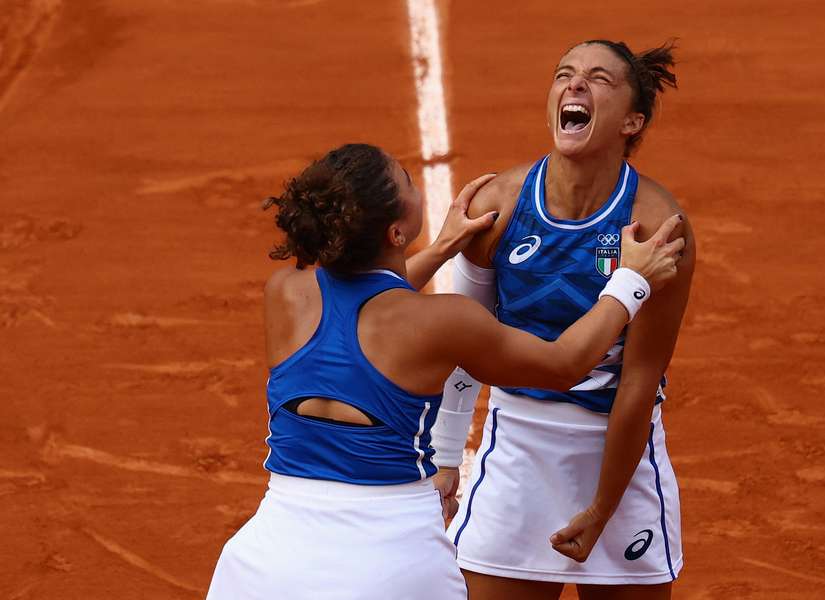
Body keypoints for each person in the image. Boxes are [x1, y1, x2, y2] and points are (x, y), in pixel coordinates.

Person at [205, 143, 684, 599]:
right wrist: (630, 281)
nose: (417, 186)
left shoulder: (286, 292)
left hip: (263, 564)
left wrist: (439, 250)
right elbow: (565, 364)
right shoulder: (444, 322)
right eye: (409, 181)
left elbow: (360, 314)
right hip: (390, 565)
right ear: (396, 233)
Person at [431, 40, 695, 600]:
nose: (574, 85)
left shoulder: (654, 226)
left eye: (597, 79)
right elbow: (464, 344)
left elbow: (639, 382)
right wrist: (448, 457)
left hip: (619, 461)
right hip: (517, 450)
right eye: (563, 75)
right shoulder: (497, 204)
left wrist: (603, 508)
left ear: (632, 119)